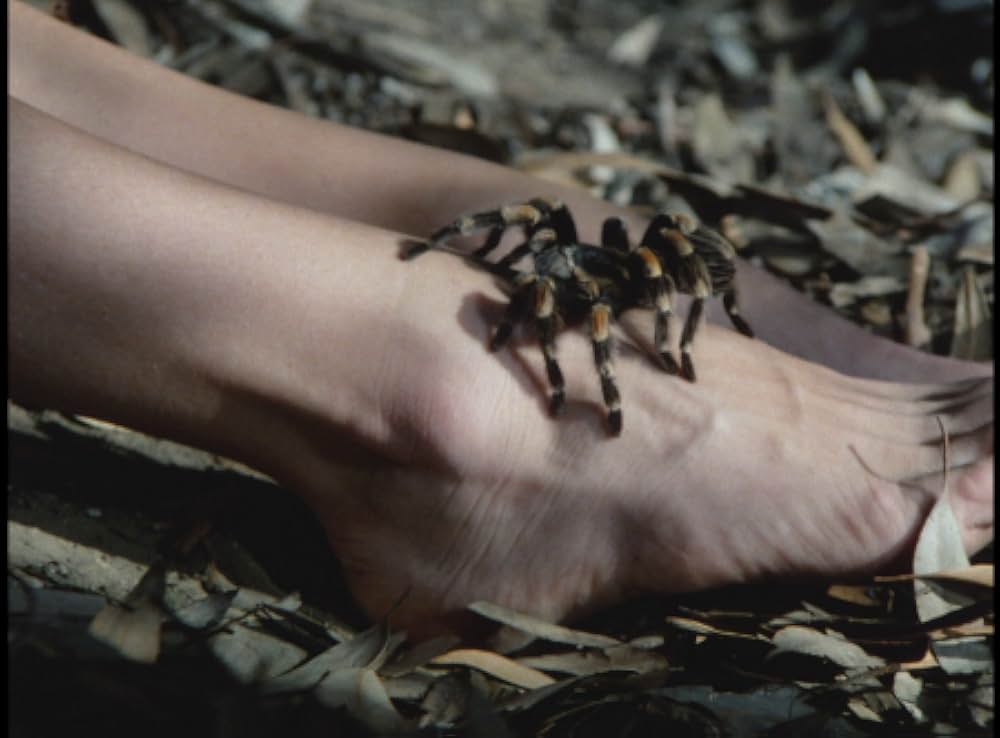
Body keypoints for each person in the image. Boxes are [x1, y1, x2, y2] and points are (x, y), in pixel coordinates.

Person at [9, 1, 993, 633]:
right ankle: (447, 402)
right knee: (519, 261)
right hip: (570, 321)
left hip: (607, 285)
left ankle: (405, 246)